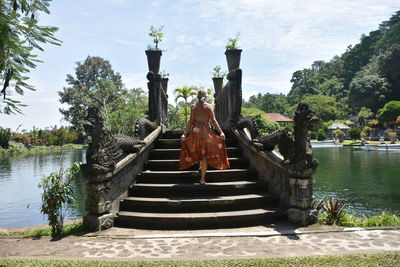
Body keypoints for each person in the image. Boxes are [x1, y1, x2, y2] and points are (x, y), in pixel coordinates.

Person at [179, 89, 230, 184]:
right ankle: (202, 180)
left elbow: (190, 121)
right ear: (206, 97)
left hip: (196, 132)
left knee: (199, 150)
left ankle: (200, 166)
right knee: (204, 155)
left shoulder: (193, 106)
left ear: (197, 96)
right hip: (206, 133)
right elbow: (214, 121)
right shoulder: (210, 107)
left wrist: (185, 134)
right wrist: (221, 132)